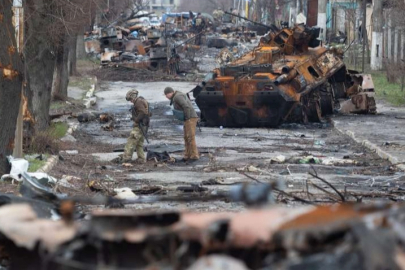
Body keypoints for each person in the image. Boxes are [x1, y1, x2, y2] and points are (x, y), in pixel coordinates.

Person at [164, 87, 199, 162]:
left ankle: (194, 155)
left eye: (166, 95)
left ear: (170, 93)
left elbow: (186, 106)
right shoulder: (176, 96)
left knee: (190, 137)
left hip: (190, 118)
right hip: (188, 118)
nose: (166, 97)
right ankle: (187, 155)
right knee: (186, 137)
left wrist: (187, 118)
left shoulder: (177, 97)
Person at [122, 89, 150, 164]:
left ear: (133, 97)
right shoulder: (141, 100)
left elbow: (143, 112)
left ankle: (126, 158)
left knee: (131, 140)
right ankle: (141, 158)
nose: (131, 101)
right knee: (139, 143)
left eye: (131, 99)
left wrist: (136, 120)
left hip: (140, 125)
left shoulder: (138, 102)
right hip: (144, 125)